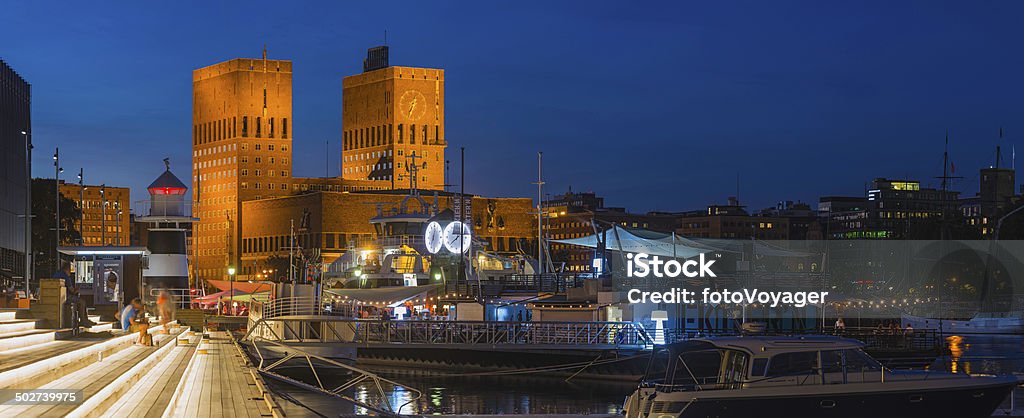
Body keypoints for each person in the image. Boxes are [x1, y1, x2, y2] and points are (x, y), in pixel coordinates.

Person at [55, 263, 95, 328]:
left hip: (57, 296)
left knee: (80, 301)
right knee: (82, 302)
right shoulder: (66, 276)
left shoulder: (57, 274)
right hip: (64, 297)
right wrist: (77, 289)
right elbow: (72, 291)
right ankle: (83, 320)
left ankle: (85, 319)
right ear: (68, 269)